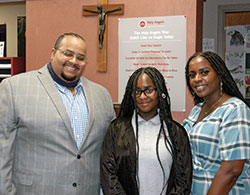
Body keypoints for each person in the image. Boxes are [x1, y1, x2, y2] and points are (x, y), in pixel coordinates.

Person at [0, 32, 116, 194]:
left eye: (80, 57)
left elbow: (109, 153)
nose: (74, 61)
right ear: (53, 53)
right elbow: (2, 152)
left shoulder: (102, 95)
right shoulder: (15, 88)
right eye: (67, 54)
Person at [100, 67, 193, 195]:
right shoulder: (116, 129)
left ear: (159, 92)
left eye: (149, 90)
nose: (142, 96)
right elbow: (108, 173)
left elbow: (183, 179)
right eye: (137, 91)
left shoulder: (176, 132)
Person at [183, 51, 250, 195]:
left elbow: (231, 170)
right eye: (192, 75)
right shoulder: (196, 110)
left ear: (219, 74)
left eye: (204, 72)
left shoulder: (235, 110)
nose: (197, 79)